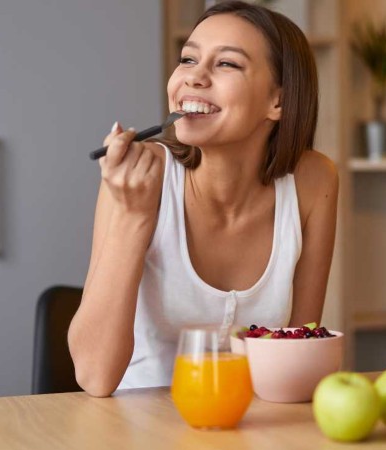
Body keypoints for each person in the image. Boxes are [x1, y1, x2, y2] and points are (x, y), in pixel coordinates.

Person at [68, 1, 339, 397]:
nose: (193, 77)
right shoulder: (140, 178)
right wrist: (134, 216)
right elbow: (94, 377)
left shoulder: (314, 182)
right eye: (188, 58)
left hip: (250, 424)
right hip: (134, 425)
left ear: (277, 101)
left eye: (226, 64)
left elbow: (295, 358)